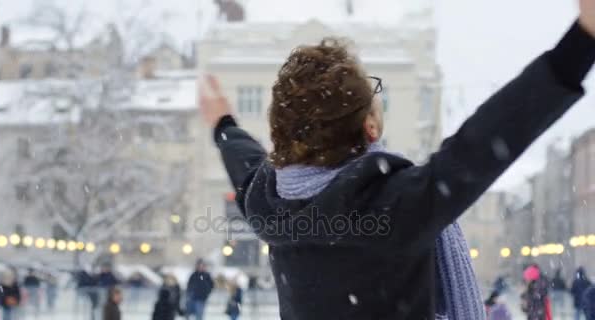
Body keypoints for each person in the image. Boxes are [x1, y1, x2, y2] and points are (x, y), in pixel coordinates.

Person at [199, 0, 595, 318]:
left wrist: (224, 124)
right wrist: (580, 44)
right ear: (370, 128)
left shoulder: (267, 205)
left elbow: (247, 163)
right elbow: (485, 140)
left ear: (282, 134)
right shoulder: (394, 206)